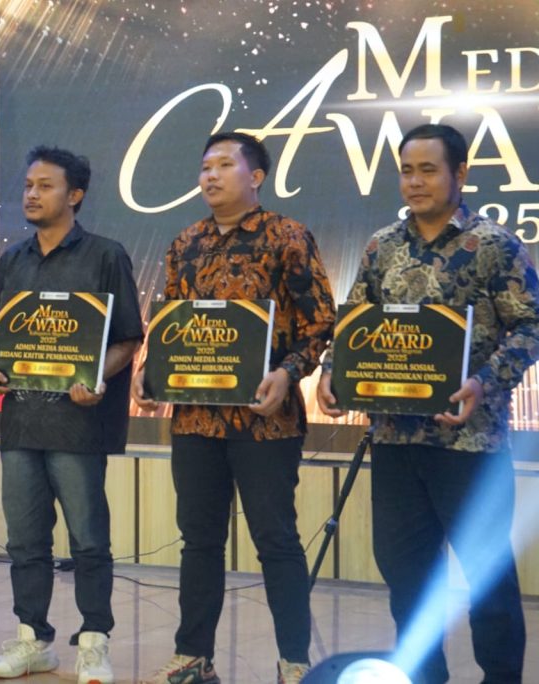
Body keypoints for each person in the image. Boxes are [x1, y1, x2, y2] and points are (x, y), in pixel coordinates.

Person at [317, 123, 538, 684]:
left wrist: (484, 382)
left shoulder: (493, 245)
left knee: (486, 578)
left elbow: (530, 326)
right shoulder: (382, 246)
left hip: (470, 443)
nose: (415, 182)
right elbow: (356, 322)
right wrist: (332, 373)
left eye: (428, 170)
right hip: (394, 439)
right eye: (407, 171)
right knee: (406, 572)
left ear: (459, 173)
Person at [134, 132, 335, 684]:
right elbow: (171, 325)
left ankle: (294, 661)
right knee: (199, 541)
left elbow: (320, 323)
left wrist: (288, 373)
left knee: (277, 541)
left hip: (266, 422)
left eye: (225, 165)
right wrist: (150, 374)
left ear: (256, 176)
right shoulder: (185, 242)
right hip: (195, 419)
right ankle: (193, 656)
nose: (211, 175)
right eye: (205, 166)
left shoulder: (288, 236)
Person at [0, 146, 144, 684]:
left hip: (80, 424)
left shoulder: (105, 255)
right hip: (21, 422)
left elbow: (128, 339)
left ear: (75, 195)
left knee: (88, 539)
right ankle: (33, 639)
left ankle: (94, 642)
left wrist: (98, 377)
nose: (30, 194)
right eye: (28, 185)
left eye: (44, 186)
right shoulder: (13, 260)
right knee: (25, 541)